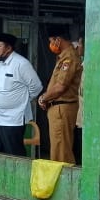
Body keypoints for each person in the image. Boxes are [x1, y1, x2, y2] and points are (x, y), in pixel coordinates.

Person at [0, 33, 43, 156]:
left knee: (13, 153)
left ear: (8, 48)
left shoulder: (21, 63)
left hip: (13, 118)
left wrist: (22, 100)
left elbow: (36, 87)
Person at [38, 31, 82, 163]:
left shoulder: (69, 58)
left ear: (58, 40)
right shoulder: (63, 57)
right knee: (58, 149)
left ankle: (66, 182)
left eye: (52, 41)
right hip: (57, 108)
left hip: (61, 108)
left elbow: (60, 87)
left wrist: (44, 98)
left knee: (61, 153)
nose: (51, 45)